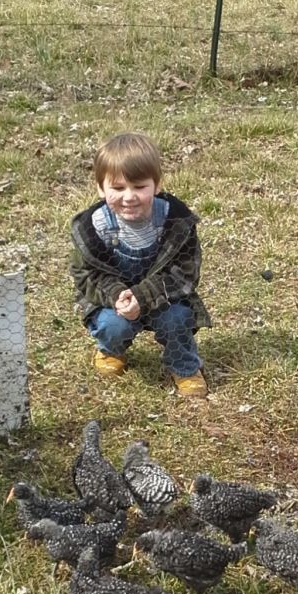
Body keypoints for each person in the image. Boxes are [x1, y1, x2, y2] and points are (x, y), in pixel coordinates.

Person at [70, 132, 210, 397]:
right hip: (114, 300)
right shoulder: (92, 227)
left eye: (139, 186)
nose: (129, 196)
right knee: (112, 325)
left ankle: (184, 366)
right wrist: (117, 295)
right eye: (118, 188)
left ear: (156, 185)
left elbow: (186, 273)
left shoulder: (176, 221)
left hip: (165, 297)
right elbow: (85, 274)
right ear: (101, 188)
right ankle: (111, 350)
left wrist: (143, 296)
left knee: (178, 320)